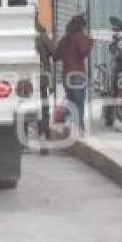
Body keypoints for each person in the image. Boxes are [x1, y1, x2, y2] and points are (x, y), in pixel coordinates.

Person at [56, 14, 93, 133]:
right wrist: (90, 44)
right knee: (79, 103)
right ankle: (80, 127)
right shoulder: (80, 38)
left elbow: (56, 56)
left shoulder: (65, 39)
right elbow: (84, 51)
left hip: (67, 76)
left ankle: (67, 123)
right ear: (81, 26)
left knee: (70, 101)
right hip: (78, 75)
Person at [35, 15, 56, 148]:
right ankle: (44, 131)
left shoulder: (22, 34)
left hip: (25, 79)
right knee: (43, 104)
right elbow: (54, 52)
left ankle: (34, 129)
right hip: (42, 76)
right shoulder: (42, 36)